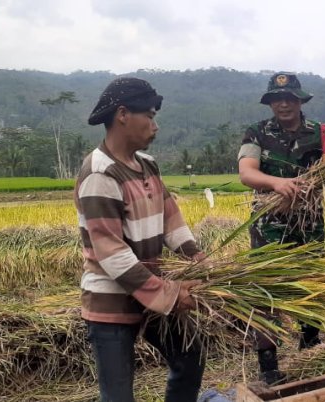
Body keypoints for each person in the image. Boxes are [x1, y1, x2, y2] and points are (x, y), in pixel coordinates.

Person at [75, 77, 206, 401]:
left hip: (152, 288)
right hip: (112, 300)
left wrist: (197, 258)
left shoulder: (148, 165)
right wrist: (168, 295)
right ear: (123, 114)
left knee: (191, 357)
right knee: (118, 395)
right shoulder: (100, 174)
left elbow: (170, 219)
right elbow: (112, 253)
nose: (155, 126)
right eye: (149, 115)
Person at [237, 72, 325, 384]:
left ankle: (311, 349)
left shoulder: (321, 131)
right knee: (266, 290)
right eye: (277, 99)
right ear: (270, 103)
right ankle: (268, 364)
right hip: (268, 226)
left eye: (289, 98)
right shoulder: (256, 133)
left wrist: (312, 183)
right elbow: (247, 172)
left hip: (308, 223)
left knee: (312, 284)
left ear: (300, 101)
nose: (283, 104)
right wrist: (277, 184)